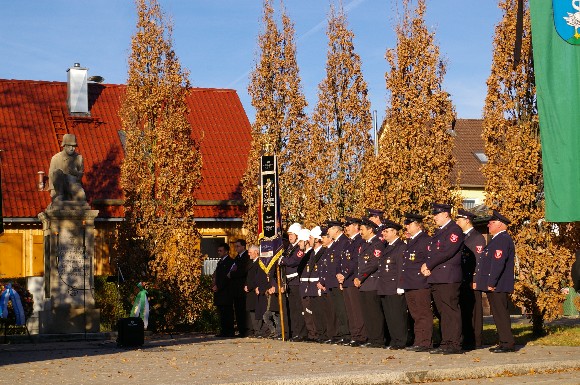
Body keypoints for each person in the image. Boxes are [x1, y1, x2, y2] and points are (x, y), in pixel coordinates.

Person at [422, 203, 465, 354]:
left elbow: (447, 252)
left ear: (446, 214)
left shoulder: (454, 230)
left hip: (448, 277)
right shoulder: (439, 232)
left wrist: (429, 264)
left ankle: (454, 343)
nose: (434, 218)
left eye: (437, 214)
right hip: (437, 277)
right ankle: (446, 342)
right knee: (442, 312)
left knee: (450, 310)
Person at [475, 210, 516, 353]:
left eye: (491, 223)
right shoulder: (497, 239)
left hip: (498, 284)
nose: (488, 225)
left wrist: (491, 282)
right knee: (498, 314)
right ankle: (504, 341)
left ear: (499, 224)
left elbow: (498, 263)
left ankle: (507, 343)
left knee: (501, 313)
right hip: (495, 284)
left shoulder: (502, 239)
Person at [400, 212, 432, 352]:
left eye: (409, 224)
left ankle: (425, 342)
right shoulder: (411, 240)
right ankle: (419, 340)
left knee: (423, 313)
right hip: (410, 283)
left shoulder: (425, 240)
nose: (407, 227)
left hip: (420, 282)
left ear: (417, 225)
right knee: (415, 314)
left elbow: (429, 259)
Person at [455, 208, 486, 350]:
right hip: (461, 279)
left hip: (471, 280)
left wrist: (476, 279)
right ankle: (465, 338)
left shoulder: (477, 237)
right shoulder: (461, 236)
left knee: (474, 312)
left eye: (459, 220)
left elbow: (479, 261)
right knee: (464, 311)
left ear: (467, 220)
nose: (457, 222)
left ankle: (475, 340)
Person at [354, 217, 386, 348]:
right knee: (367, 313)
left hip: (372, 282)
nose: (360, 232)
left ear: (370, 230)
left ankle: (378, 339)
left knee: (374, 313)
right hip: (364, 284)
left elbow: (374, 263)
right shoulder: (364, 245)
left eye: (362, 229)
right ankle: (371, 338)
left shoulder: (377, 244)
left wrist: (360, 277)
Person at [377, 219, 408, 350]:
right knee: (389, 315)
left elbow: (401, 268)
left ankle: (400, 340)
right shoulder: (386, 247)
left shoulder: (400, 247)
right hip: (385, 287)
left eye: (387, 231)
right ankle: (394, 339)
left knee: (397, 315)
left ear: (395, 232)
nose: (384, 234)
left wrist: (400, 286)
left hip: (394, 287)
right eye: (384, 231)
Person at [338, 216, 367, 347]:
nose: (347, 228)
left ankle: (361, 336)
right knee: (350, 310)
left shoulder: (359, 241)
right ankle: (354, 334)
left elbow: (355, 261)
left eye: (349, 225)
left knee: (356, 310)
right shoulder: (348, 242)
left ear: (356, 227)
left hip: (353, 278)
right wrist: (339, 274)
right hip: (345, 280)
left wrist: (344, 274)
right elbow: (342, 260)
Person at [326, 219, 351, 344]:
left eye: (330, 229)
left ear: (336, 229)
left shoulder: (344, 242)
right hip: (332, 281)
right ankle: (342, 333)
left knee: (343, 309)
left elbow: (343, 262)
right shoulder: (336, 243)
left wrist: (342, 279)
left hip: (339, 281)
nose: (328, 231)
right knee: (337, 310)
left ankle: (346, 334)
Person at [279, 222, 305, 341]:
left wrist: (283, 260)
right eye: (289, 234)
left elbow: (294, 261)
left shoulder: (299, 248)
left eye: (292, 234)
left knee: (298, 309)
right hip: (289, 281)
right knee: (292, 309)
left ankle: (300, 333)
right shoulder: (289, 247)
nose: (290, 237)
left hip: (296, 280)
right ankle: (294, 332)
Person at [48, 133, 86, 202]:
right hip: (59, 185)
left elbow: (80, 175)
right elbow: (51, 177)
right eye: (69, 146)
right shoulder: (56, 158)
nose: (71, 148)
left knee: (81, 197)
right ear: (64, 146)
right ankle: (60, 195)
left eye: (73, 146)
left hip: (73, 182)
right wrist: (54, 192)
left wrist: (75, 173)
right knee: (57, 173)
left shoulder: (79, 158)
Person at [213, 243, 235, 337]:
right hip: (219, 292)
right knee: (221, 312)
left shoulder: (230, 262)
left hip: (226, 291)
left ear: (226, 251)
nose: (219, 252)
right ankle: (223, 330)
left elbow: (227, 277)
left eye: (220, 251)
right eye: (218, 251)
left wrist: (219, 286)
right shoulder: (220, 262)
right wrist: (214, 284)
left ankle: (229, 331)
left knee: (227, 312)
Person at [244, 245, 267, 337]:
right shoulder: (250, 262)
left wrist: (253, 286)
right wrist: (246, 285)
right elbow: (248, 276)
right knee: (251, 310)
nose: (248, 254)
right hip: (249, 289)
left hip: (255, 289)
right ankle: (255, 329)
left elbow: (258, 277)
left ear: (256, 252)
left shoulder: (260, 263)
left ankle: (259, 330)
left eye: (250, 252)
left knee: (257, 310)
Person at [229, 239, 250, 337]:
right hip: (236, 288)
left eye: (238, 246)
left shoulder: (246, 257)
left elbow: (243, 271)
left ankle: (245, 330)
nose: (236, 248)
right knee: (238, 310)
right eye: (235, 246)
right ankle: (241, 330)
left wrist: (232, 274)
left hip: (243, 287)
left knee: (243, 310)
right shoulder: (237, 257)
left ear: (243, 247)